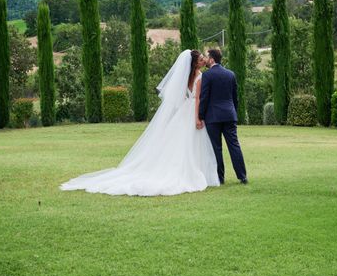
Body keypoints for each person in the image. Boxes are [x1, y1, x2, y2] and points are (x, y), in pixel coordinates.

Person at [60, 50, 220, 196]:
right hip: (191, 111)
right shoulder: (200, 77)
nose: (203, 61)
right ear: (195, 63)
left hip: (183, 111)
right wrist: (198, 118)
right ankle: (191, 172)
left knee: (181, 143)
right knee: (190, 143)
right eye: (200, 59)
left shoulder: (186, 77)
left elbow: (183, 97)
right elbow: (197, 98)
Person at [198, 48, 247, 185]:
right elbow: (235, 97)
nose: (206, 60)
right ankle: (242, 176)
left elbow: (204, 98)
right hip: (230, 115)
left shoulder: (207, 76)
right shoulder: (230, 74)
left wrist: (200, 115)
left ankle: (220, 178)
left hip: (213, 117)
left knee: (216, 148)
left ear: (212, 59)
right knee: (234, 145)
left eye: (207, 57)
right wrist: (233, 112)